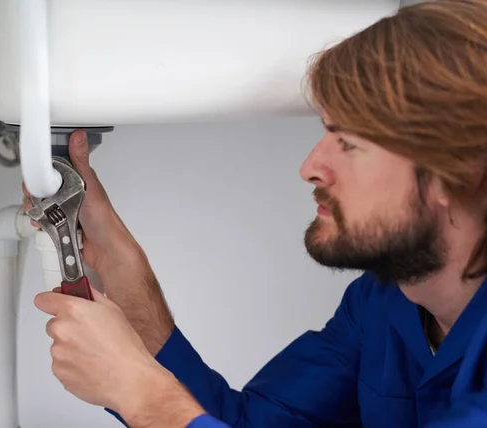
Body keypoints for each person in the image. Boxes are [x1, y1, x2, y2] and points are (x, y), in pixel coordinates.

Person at [24, 0, 487, 426]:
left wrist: (139, 392)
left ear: (456, 174)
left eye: (349, 143)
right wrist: (130, 286)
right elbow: (248, 423)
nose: (310, 168)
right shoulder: (381, 303)